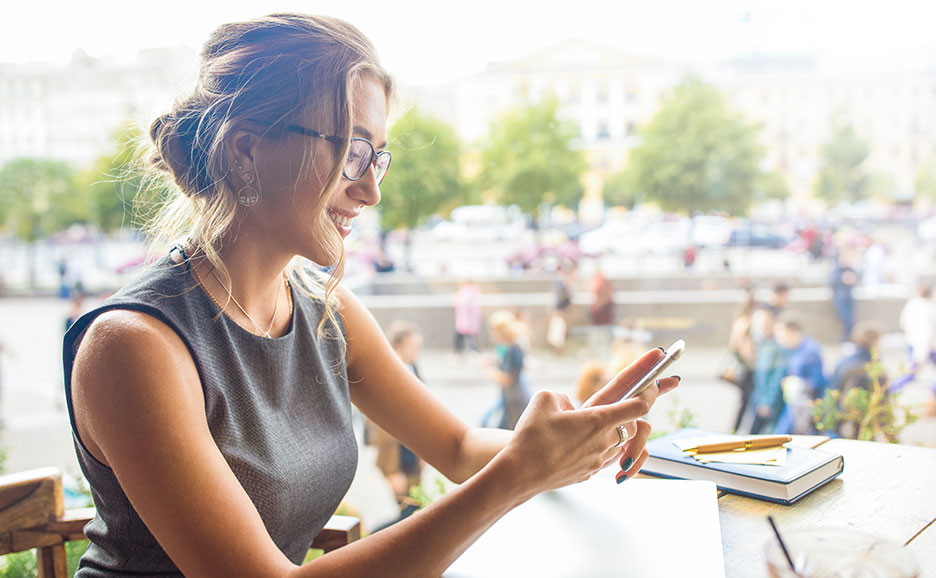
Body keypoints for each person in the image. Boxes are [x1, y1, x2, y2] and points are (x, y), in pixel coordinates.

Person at [61, 15, 681, 577]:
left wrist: (577, 439)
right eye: (352, 150)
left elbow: (460, 449)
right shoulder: (132, 347)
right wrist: (518, 473)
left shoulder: (325, 310)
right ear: (246, 148)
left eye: (377, 159)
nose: (369, 192)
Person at [773, 313, 827, 434]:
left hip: (806, 406)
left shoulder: (810, 351)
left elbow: (818, 382)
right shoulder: (792, 350)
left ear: (792, 332)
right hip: (793, 404)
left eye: (781, 334)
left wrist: (795, 384)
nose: (779, 339)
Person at [740, 307, 789, 434]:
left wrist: (768, 401)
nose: (761, 327)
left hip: (768, 402)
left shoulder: (777, 347)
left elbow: (777, 377)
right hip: (758, 398)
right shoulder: (762, 344)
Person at [482, 310, 532, 430]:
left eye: (494, 331)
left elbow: (507, 379)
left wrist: (488, 370)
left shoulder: (513, 350)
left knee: (509, 431)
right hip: (510, 398)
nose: (492, 334)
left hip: (515, 399)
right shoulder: (508, 348)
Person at [891, 285, 936, 393]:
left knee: (911, 370)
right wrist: (920, 355)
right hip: (923, 346)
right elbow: (925, 334)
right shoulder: (929, 310)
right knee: (911, 372)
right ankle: (890, 390)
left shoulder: (912, 304)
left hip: (911, 342)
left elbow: (902, 322)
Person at [830, 249, 859, 342]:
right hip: (840, 297)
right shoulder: (837, 270)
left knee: (851, 320)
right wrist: (842, 279)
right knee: (845, 319)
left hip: (849, 297)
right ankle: (845, 340)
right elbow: (831, 282)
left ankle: (851, 339)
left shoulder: (851, 269)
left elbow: (857, 279)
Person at [453, 279, 481, 357]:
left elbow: (463, 305)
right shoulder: (472, 291)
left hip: (466, 320)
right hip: (467, 320)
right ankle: (460, 352)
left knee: (469, 337)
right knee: (463, 336)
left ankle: (473, 352)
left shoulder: (466, 292)